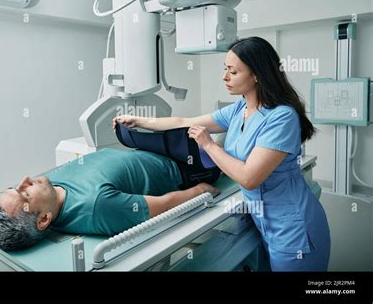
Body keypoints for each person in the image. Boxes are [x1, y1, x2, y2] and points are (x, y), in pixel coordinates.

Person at [113, 37, 331, 272]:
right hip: (266, 222)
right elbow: (183, 121)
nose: (224, 77)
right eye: (225, 69)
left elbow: (249, 177)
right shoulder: (240, 108)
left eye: (233, 71)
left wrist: (209, 145)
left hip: (293, 229)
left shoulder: (281, 117)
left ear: (256, 74)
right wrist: (140, 121)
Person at [0, 148, 219, 251]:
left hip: (148, 147)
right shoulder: (96, 207)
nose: (25, 180)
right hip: (187, 164)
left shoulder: (49, 185)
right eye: (24, 193)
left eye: (16, 186)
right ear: (44, 220)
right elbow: (163, 206)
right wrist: (199, 191)